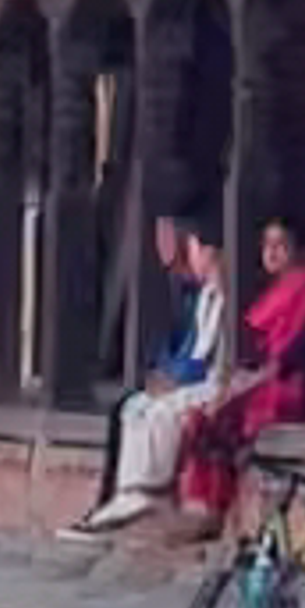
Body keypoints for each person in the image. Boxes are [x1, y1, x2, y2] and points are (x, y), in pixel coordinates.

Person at [64, 217, 228, 540]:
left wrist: (177, 378)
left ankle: (149, 489)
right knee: (133, 406)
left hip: (210, 383)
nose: (197, 257)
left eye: (201, 250)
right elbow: (185, 348)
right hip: (190, 377)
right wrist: (164, 374)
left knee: (162, 412)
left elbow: (209, 356)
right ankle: (125, 492)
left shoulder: (227, 299)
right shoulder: (201, 297)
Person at [175, 223, 305, 534]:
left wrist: (239, 387)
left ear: (297, 248)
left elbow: (289, 352)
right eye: (266, 244)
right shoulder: (275, 286)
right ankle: (201, 505)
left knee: (219, 414)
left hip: (289, 382)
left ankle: (214, 508)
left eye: (280, 244)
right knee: (200, 415)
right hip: (260, 375)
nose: (271, 253)